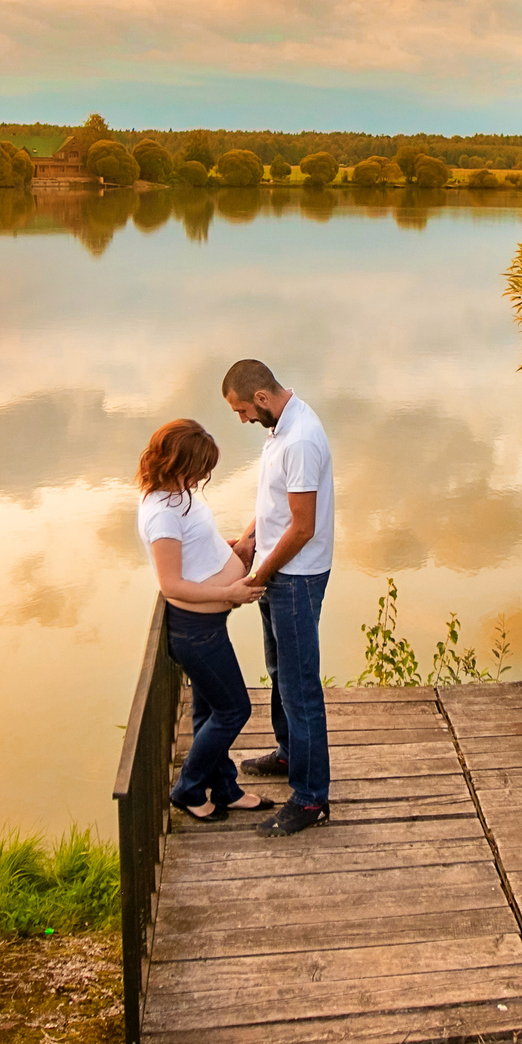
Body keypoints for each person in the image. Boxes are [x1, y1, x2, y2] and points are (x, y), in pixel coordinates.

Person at [134, 418, 271, 822]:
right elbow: (172, 585)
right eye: (199, 469)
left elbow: (193, 549)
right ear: (176, 462)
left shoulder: (177, 495)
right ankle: (188, 788)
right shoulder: (161, 515)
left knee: (210, 712)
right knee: (234, 711)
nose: (202, 477)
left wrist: (223, 551)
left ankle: (224, 789)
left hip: (207, 628)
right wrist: (229, 592)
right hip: (196, 634)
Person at [222, 358, 334, 836]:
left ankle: (310, 800)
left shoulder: (302, 438)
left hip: (295, 577)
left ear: (262, 399)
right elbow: (274, 504)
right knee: (279, 672)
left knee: (300, 687)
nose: (243, 419)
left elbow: (303, 527)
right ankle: (291, 754)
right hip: (278, 572)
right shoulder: (279, 430)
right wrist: (249, 539)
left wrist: (257, 578)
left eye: (243, 410)